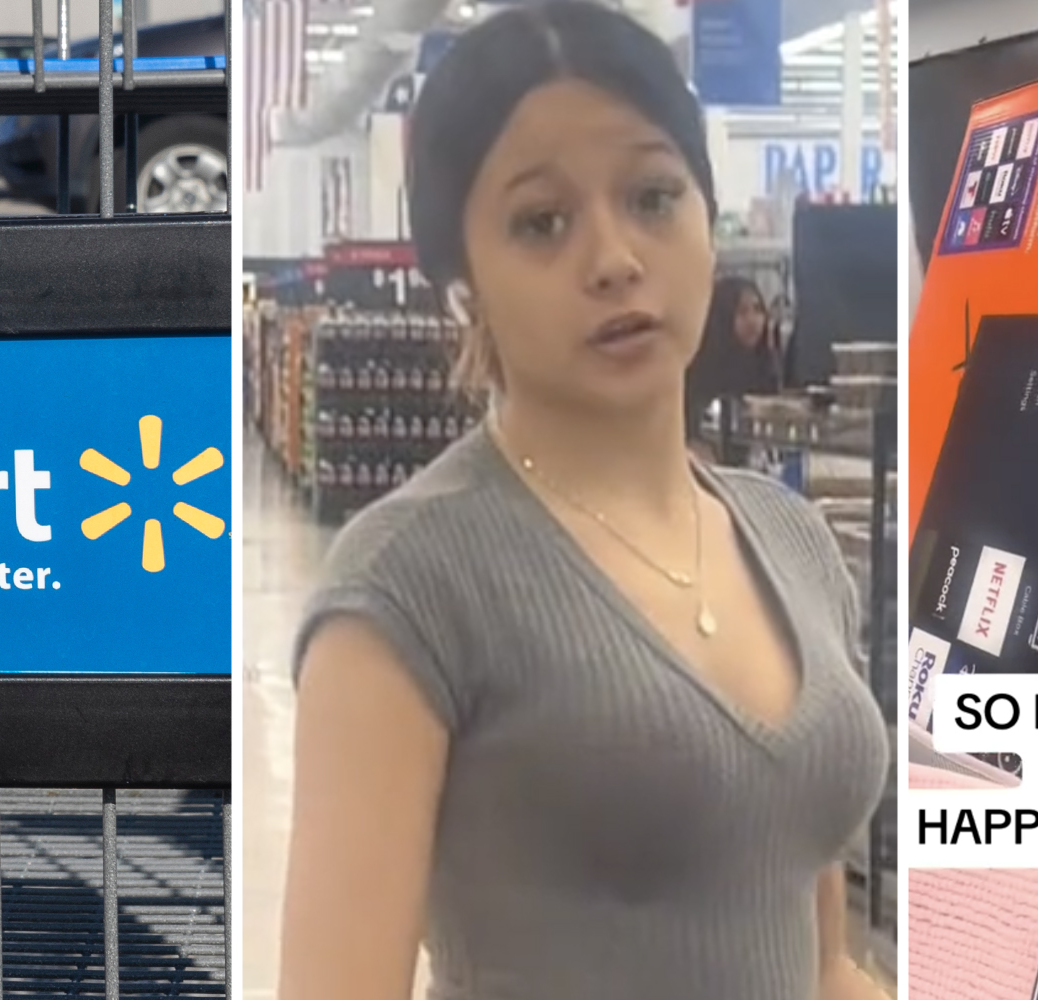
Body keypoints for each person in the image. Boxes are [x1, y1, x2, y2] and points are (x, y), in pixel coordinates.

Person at [277, 4, 891, 999]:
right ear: (463, 280)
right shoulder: (407, 584)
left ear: (706, 214)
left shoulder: (792, 540)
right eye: (540, 222)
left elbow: (819, 965)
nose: (612, 257)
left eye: (652, 195)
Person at [685, 274, 782, 462]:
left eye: (758, 310)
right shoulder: (698, 373)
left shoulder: (763, 365)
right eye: (742, 312)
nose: (753, 320)